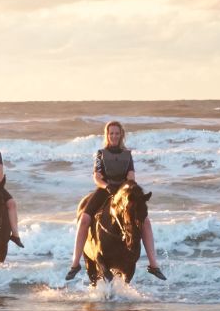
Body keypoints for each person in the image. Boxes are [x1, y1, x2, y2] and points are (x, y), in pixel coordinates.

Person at [65, 120, 165, 281]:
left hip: (123, 192)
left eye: (117, 133)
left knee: (145, 221)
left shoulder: (127, 154)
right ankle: (75, 263)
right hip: (105, 190)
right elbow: (97, 177)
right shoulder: (101, 153)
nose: (114, 136)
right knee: (84, 218)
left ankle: (154, 265)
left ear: (121, 135)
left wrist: (126, 189)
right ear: (107, 135)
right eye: (111, 133)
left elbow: (131, 176)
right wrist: (107, 186)